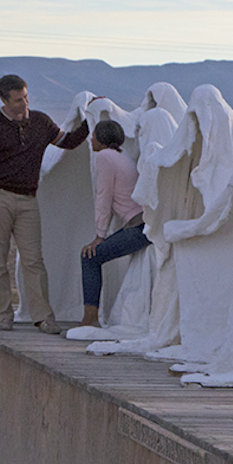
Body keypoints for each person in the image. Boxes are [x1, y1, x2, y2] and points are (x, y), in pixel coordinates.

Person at [0, 74, 91, 332]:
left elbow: (67, 142)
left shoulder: (40, 121)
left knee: (34, 261)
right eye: (17, 100)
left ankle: (43, 317)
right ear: (4, 100)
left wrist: (91, 120)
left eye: (26, 97)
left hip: (28, 200)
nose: (24, 103)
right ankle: (3, 316)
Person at [78, 118, 151, 328]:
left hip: (138, 227)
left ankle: (90, 318)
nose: (90, 138)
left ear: (101, 139)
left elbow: (104, 197)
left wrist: (99, 236)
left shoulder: (104, 157)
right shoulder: (121, 154)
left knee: (89, 257)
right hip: (142, 223)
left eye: (93, 135)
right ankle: (91, 317)